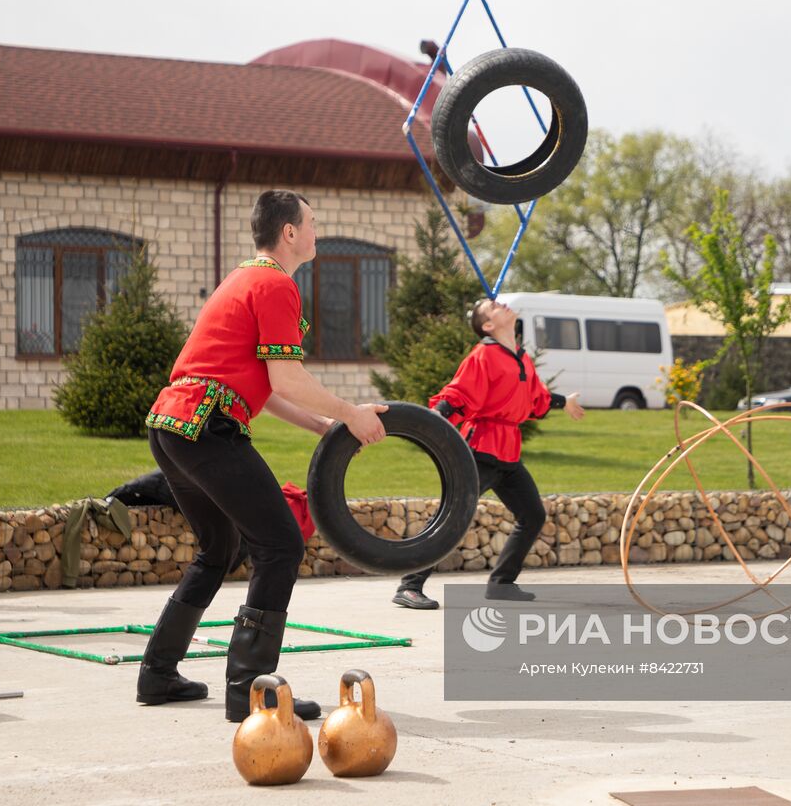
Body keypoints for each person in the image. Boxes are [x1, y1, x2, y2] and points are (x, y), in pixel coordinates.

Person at [140, 189, 386, 720]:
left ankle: (157, 675)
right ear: (290, 232)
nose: (318, 232)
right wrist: (350, 413)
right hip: (208, 426)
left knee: (218, 549)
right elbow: (287, 376)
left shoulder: (244, 277)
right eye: (313, 223)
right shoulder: (274, 284)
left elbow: (267, 388)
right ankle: (252, 692)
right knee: (278, 545)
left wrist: (322, 422)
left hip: (173, 424)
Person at [393, 297, 585, 610]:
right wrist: (437, 417)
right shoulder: (484, 354)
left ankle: (501, 584)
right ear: (488, 325)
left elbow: (537, 399)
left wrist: (566, 402)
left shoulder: (521, 358)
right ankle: (409, 586)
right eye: (494, 306)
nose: (503, 305)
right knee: (453, 514)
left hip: (507, 453)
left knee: (533, 514)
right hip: (479, 449)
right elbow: (459, 393)